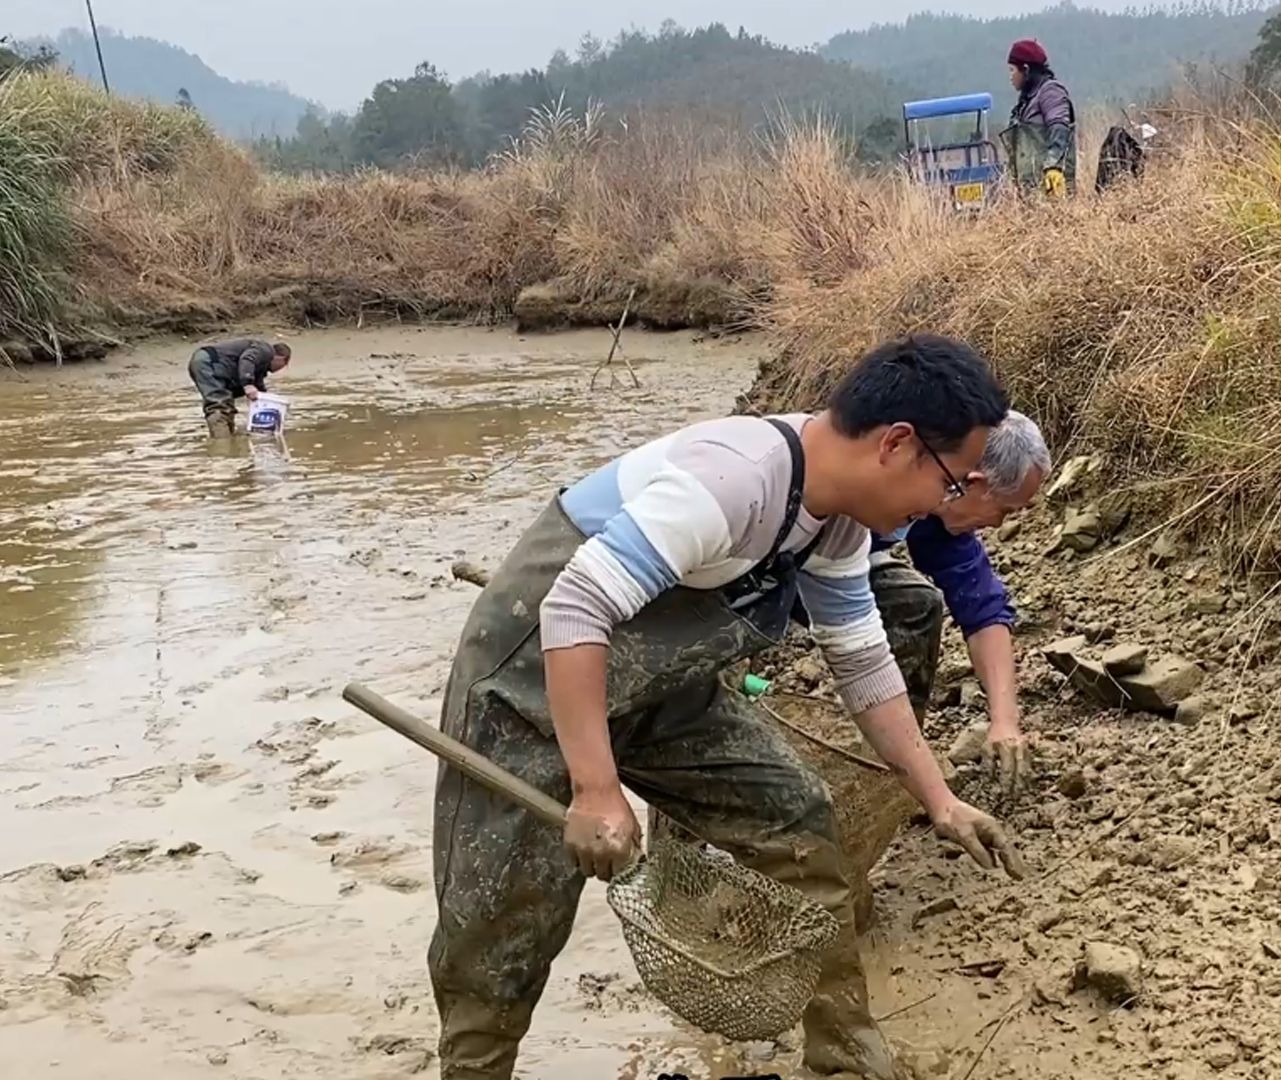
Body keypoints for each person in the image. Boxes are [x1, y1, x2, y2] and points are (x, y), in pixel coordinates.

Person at [430, 334, 1024, 1080]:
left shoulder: (839, 519)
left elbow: (864, 665)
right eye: (948, 483)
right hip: (528, 693)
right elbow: (575, 608)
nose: (942, 505)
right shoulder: (733, 479)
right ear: (897, 444)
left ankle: (845, 1047)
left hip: (657, 690)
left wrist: (938, 799)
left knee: (798, 820)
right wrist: (595, 787)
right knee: (500, 927)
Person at [847, 411, 1049, 929]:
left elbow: (981, 605)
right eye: (1004, 510)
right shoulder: (876, 492)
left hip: (838, 574)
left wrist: (1004, 719)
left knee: (914, 602)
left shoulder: (940, 511)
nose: (1001, 525)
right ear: (972, 483)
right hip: (772, 568)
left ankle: (892, 770)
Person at [1003, 38, 1077, 199]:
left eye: (1012, 70)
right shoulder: (1026, 101)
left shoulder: (1051, 92)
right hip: (1031, 194)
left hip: (1052, 188)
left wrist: (1053, 167)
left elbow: (1059, 126)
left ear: (1026, 69)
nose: (1010, 77)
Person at [187, 337, 290, 437]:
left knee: (226, 404)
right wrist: (247, 384)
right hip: (208, 362)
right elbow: (247, 359)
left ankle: (228, 437)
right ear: (282, 358)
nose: (279, 370)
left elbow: (259, 387)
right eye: (284, 365)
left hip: (209, 363)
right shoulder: (266, 350)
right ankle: (222, 444)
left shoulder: (260, 366)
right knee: (218, 405)